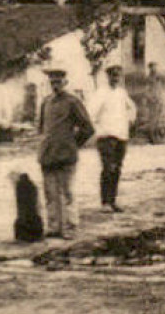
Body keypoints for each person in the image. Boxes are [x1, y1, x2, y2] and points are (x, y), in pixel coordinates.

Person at [36, 69, 94, 239]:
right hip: (48, 154)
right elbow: (42, 129)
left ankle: (70, 227)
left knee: (68, 192)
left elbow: (88, 128)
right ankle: (54, 227)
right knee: (50, 193)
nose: (55, 86)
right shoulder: (45, 102)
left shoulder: (73, 102)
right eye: (52, 82)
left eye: (58, 82)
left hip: (66, 154)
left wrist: (73, 144)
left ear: (65, 83)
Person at [88, 64, 138, 212]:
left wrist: (129, 120)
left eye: (118, 76)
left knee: (117, 168)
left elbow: (133, 108)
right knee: (108, 168)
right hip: (106, 136)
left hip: (121, 135)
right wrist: (99, 127)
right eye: (112, 75)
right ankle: (105, 202)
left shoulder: (122, 93)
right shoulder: (101, 93)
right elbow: (90, 113)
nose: (115, 78)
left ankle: (113, 200)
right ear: (107, 76)